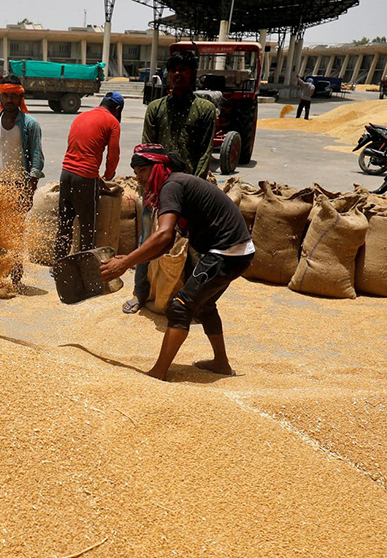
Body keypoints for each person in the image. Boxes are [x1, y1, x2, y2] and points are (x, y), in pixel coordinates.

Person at [100, 144, 254, 381]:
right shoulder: (175, 183)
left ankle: (158, 372)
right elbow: (168, 241)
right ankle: (221, 363)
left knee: (180, 306)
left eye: (142, 170)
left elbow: (162, 235)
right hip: (235, 250)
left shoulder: (171, 186)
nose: (138, 177)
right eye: (136, 171)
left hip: (227, 252)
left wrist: (126, 262)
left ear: (158, 167)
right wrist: (131, 261)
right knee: (204, 305)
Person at [125, 49, 217, 315]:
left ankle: (194, 301)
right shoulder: (156, 109)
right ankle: (140, 293)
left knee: (195, 247)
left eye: (184, 70)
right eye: (173, 70)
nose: (178, 74)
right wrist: (150, 188)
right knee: (147, 240)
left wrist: (194, 193)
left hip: (190, 190)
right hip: (156, 189)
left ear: (193, 75)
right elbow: (146, 153)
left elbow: (204, 154)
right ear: (167, 75)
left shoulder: (205, 110)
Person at [0, 75, 45, 286]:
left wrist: (31, 187)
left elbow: (37, 157)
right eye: (5, 96)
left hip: (18, 185)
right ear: (0, 96)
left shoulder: (30, 124)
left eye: (13, 96)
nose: (9, 100)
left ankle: (16, 277)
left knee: (16, 232)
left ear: (20, 98)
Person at [55, 91, 124, 260]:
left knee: (65, 223)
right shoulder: (112, 122)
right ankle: (85, 266)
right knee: (87, 227)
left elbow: (77, 147)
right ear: (117, 109)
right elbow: (113, 154)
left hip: (66, 174)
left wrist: (96, 177)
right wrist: (108, 175)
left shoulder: (81, 116)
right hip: (84, 178)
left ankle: (58, 264)